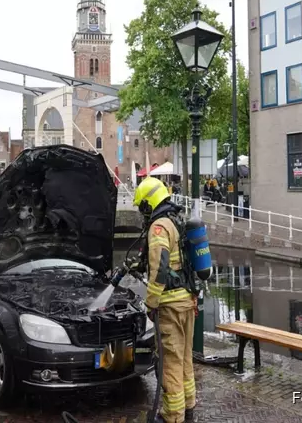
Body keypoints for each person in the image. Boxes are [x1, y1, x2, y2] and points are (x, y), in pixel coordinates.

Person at [133, 176, 197, 423]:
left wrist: (151, 302)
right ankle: (188, 409)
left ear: (149, 204)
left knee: (170, 362)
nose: (142, 214)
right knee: (185, 360)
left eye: (142, 208)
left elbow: (159, 269)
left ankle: (172, 416)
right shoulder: (176, 221)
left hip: (169, 305)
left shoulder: (159, 226)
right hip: (188, 302)